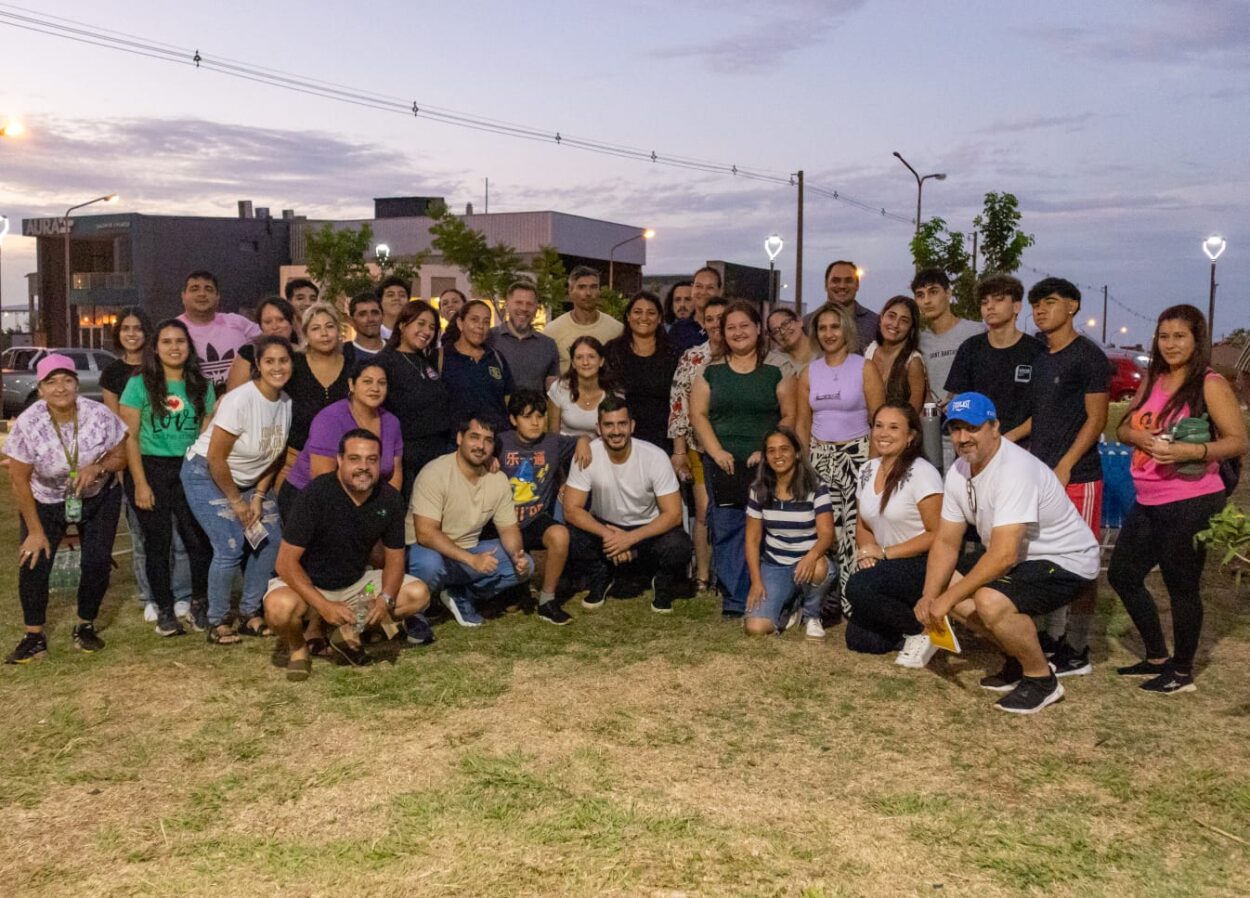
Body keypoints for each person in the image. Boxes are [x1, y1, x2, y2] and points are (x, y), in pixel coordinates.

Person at [915, 392, 1100, 715]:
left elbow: (1004, 556)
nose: (962, 437)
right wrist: (931, 598)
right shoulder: (959, 471)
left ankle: (1042, 679)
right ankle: (1018, 657)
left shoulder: (1014, 468)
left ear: (995, 427)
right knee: (944, 585)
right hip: (1026, 559)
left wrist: (945, 600)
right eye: (955, 429)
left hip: (1068, 560)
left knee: (989, 600)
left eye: (972, 428)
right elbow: (945, 542)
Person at [1109, 305, 1248, 694]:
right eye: (1164, 336)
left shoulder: (1209, 382)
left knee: (1181, 585)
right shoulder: (1154, 378)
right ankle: (1156, 655)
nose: (1170, 344)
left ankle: (1182, 671)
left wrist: (1189, 453)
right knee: (1123, 574)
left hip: (1191, 499)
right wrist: (1141, 438)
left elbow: (1238, 441)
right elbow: (1123, 426)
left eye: (1179, 336)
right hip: (1149, 496)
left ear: (1197, 339)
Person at [264, 429, 431, 680]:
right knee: (279, 608)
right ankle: (298, 647)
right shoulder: (316, 494)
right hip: (309, 587)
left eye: (371, 460)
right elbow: (285, 563)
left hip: (355, 583)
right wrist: (323, 605)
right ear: (340, 461)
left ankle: (348, 631)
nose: (363, 467)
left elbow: (395, 560)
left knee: (417, 594)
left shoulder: (389, 498)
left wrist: (384, 599)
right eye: (355, 459)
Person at [4, 355, 128, 664]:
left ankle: (85, 625)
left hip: (98, 496)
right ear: (41, 388)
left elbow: (120, 457)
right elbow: (18, 479)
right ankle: (34, 636)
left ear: (76, 383)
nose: (60, 387)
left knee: (97, 561)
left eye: (67, 380)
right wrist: (34, 531)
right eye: (51, 381)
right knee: (33, 560)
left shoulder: (98, 414)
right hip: (46, 498)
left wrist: (98, 467)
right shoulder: (28, 423)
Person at [182, 336, 293, 645]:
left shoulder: (285, 403)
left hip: (249, 480)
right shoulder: (240, 400)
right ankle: (217, 621)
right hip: (207, 474)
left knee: (270, 541)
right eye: (269, 361)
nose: (277, 367)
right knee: (230, 545)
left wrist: (258, 497)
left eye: (283, 360)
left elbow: (274, 455)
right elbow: (216, 457)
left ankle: (249, 613)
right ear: (257, 365)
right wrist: (236, 501)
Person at [1026, 277, 1110, 676]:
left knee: (1081, 559)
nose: (1040, 310)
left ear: (1073, 306)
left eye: (1050, 303)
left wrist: (1067, 462)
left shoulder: (1088, 356)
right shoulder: (1042, 358)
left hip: (1077, 477)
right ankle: (1050, 635)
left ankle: (1077, 646)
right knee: (1043, 555)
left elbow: (1097, 418)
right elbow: (1038, 416)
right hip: (1040, 476)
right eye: (1036, 305)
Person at [691, 300, 796, 617]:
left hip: (767, 462)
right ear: (722, 333)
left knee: (768, 529)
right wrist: (716, 451)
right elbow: (698, 415)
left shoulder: (777, 368)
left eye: (744, 326)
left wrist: (765, 450)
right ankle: (736, 601)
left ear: (758, 329)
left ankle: (769, 597)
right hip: (722, 462)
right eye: (730, 327)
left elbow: (789, 415)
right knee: (727, 528)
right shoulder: (709, 370)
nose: (738, 332)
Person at [119, 318, 214, 636]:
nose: (174, 347)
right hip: (150, 468)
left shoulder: (202, 384)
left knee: (198, 541)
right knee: (157, 543)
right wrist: (141, 483)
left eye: (180, 341)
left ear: (189, 346)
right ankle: (164, 609)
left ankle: (199, 602)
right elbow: (129, 437)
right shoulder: (139, 383)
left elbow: (206, 431)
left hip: (188, 469)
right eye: (167, 342)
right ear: (155, 348)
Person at [101, 308, 193, 623]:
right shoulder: (124, 378)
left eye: (138, 328)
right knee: (148, 539)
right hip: (141, 464)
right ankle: (152, 597)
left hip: (182, 468)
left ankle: (182, 595)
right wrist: (133, 476)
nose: (131, 334)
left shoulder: (191, 379)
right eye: (125, 328)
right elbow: (123, 430)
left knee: (183, 539)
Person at [564, 396, 692, 613]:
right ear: (599, 428)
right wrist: (608, 535)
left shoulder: (655, 456)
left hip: (645, 529)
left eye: (622, 424)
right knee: (570, 533)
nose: (616, 431)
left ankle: (661, 581)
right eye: (609, 425)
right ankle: (601, 574)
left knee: (679, 544)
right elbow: (571, 509)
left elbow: (673, 515)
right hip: (606, 527)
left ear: (632, 426)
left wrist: (629, 539)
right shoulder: (587, 455)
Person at [797, 303, 885, 620]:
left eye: (835, 327)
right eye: (822, 328)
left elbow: (880, 420)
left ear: (845, 329)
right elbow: (802, 425)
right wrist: (803, 466)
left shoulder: (865, 367)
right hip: (820, 459)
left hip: (858, 456)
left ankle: (855, 602)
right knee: (824, 531)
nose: (829, 333)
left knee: (855, 531)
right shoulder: (809, 372)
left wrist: (874, 468)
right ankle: (825, 600)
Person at [406, 417, 532, 628]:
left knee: (524, 566)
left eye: (488, 440)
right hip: (426, 550)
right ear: (459, 438)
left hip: (467, 550)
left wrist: (516, 555)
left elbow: (509, 528)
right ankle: (416, 610)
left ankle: (461, 595)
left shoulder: (497, 479)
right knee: (429, 564)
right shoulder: (435, 473)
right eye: (474, 437)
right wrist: (471, 560)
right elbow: (425, 533)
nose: (480, 446)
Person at [843, 402, 944, 665]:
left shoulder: (922, 472)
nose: (883, 433)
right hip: (886, 565)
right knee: (861, 640)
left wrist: (885, 553)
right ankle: (910, 623)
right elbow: (863, 522)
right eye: (878, 426)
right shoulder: (868, 469)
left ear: (911, 435)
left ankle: (924, 629)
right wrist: (867, 553)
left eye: (893, 427)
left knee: (858, 587)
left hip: (922, 563)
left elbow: (938, 534)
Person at [497, 390, 592, 625]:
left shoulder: (552, 442)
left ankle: (547, 600)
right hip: (503, 522)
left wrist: (582, 441)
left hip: (535, 519)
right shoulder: (501, 442)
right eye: (527, 417)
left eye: (540, 416)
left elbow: (585, 438)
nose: (535, 422)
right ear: (513, 420)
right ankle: (511, 591)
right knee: (507, 598)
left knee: (560, 534)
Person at [279, 358, 403, 519]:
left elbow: (394, 474)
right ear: (352, 384)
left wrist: (385, 511)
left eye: (382, 383)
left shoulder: (391, 422)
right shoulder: (330, 419)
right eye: (367, 381)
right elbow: (322, 481)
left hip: (367, 500)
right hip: (311, 500)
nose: (375, 388)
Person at [744, 428, 835, 637]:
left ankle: (812, 615)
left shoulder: (816, 486)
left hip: (809, 561)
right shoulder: (758, 489)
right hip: (775, 565)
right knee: (755, 628)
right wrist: (756, 581)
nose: (778, 456)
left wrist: (810, 557)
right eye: (772, 451)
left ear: (796, 453)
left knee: (821, 568)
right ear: (765, 457)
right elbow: (752, 539)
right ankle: (791, 608)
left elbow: (827, 534)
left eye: (784, 449)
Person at [668, 296, 728, 592]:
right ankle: (702, 574)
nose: (716, 324)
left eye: (722, 318)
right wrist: (679, 451)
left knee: (731, 509)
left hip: (732, 446)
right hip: (697, 446)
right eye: (711, 319)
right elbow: (678, 404)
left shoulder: (743, 355)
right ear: (703, 323)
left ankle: (726, 574)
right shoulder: (692, 357)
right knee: (704, 510)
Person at [945, 274, 1043, 442]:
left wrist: (1007, 440)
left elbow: (1045, 410)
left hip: (1023, 448)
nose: (990, 306)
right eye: (984, 302)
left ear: (1016, 306)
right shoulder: (970, 348)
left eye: (998, 300)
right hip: (976, 445)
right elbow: (959, 401)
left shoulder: (1037, 351)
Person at [376, 301, 452, 501]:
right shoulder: (384, 362)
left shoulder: (425, 360)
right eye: (421, 323)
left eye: (432, 327)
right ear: (402, 325)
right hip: (406, 459)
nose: (426, 331)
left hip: (436, 453)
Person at [604, 291, 682, 455]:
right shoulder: (612, 350)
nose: (644, 318)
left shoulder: (674, 352)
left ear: (660, 318)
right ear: (627, 316)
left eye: (651, 313)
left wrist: (679, 451)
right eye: (637, 312)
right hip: (622, 439)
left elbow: (680, 404)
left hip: (664, 440)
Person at [285, 302, 353, 459]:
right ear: (306, 334)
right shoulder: (293, 364)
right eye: (315, 328)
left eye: (329, 326)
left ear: (338, 330)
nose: (324, 333)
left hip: (342, 458)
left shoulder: (353, 366)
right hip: (295, 457)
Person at [177, 269, 260, 389]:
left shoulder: (237, 322)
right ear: (183, 296)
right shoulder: (173, 328)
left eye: (208, 289)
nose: (202, 294)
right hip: (190, 403)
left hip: (240, 402)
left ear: (218, 296)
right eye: (194, 289)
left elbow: (272, 342)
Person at [441, 299, 515, 433]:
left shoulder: (496, 358)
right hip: (453, 444)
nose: (481, 326)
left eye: (486, 322)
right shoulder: (441, 357)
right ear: (460, 323)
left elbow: (509, 400)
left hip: (495, 441)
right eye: (474, 319)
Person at [914, 268, 982, 407]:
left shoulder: (976, 331)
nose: (926, 301)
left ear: (948, 293)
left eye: (933, 292)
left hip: (971, 420)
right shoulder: (918, 341)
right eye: (920, 295)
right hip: (934, 422)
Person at [544, 266, 624, 373]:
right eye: (582, 287)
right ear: (570, 291)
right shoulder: (552, 331)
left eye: (593, 287)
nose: (588, 293)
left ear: (599, 291)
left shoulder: (616, 330)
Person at [489, 280, 560, 393]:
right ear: (506, 305)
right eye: (518, 302)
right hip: (495, 410)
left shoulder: (548, 345)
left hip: (536, 410)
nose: (524, 308)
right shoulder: (488, 339)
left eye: (529, 304)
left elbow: (553, 392)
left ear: (536, 308)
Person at [864, 295, 926, 413]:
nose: (895, 324)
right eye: (891, 316)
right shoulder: (869, 351)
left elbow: (913, 415)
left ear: (911, 328)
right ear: (882, 317)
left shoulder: (913, 362)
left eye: (904, 321)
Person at [547, 336, 616, 438]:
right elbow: (553, 435)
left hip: (602, 450)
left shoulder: (614, 391)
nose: (585, 363)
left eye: (591, 357)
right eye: (579, 357)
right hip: (566, 450)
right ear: (573, 363)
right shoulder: (559, 388)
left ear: (601, 361)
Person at [225, 296, 298, 391]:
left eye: (280, 320)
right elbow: (233, 395)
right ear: (261, 326)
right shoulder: (249, 352)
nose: (275, 326)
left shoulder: (303, 353)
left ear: (291, 322)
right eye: (268, 322)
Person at [803, 260, 878, 353]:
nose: (842, 286)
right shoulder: (807, 324)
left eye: (848, 281)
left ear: (857, 285)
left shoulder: (875, 323)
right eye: (836, 281)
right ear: (826, 285)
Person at [670, 267, 718, 351]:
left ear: (720, 290)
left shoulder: (730, 325)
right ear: (692, 288)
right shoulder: (678, 329)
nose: (703, 292)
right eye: (699, 286)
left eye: (710, 287)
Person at [767, 307, 813, 377]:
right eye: (776, 331)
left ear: (799, 321)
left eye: (785, 324)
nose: (782, 332)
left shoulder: (823, 349)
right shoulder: (773, 361)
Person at [348, 291, 385, 359]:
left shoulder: (398, 350)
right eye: (362, 314)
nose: (370, 319)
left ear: (383, 317)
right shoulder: (343, 356)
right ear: (352, 321)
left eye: (375, 313)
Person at [377, 276, 411, 342]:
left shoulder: (414, 335)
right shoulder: (373, 335)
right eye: (390, 295)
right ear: (380, 301)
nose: (397, 298)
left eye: (402, 295)